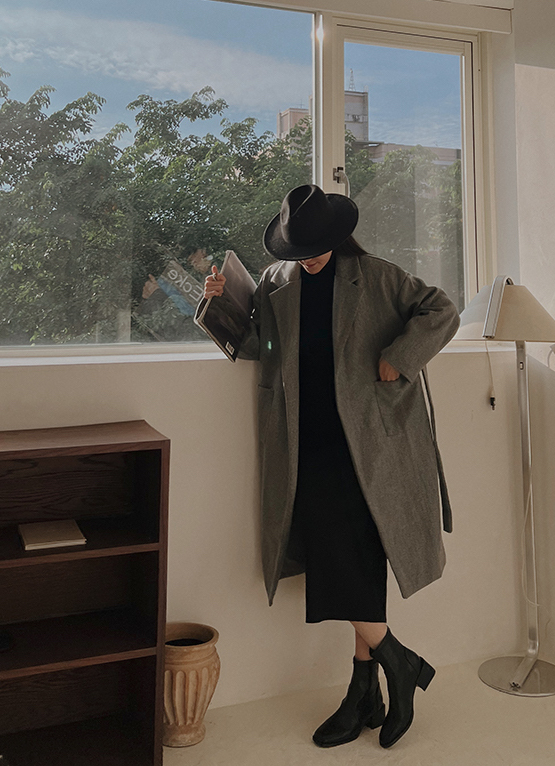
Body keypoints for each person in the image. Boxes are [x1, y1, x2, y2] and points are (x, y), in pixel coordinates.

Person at [203, 184, 459, 749]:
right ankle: (390, 670)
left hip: (370, 444)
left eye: (316, 248)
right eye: (299, 251)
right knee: (341, 560)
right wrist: (218, 303)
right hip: (306, 442)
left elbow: (442, 310)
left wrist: (399, 357)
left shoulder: (378, 277)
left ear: (337, 238)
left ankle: (368, 688)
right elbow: (258, 346)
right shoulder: (276, 282)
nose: (309, 259)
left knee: (354, 561)